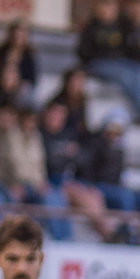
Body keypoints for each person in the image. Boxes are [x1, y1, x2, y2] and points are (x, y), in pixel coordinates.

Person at [0, 103, 72, 240]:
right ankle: (13, 239)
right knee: (12, 200)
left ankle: (64, 240)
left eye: (34, 120)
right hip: (12, 183)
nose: (31, 123)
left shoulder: (36, 137)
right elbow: (5, 164)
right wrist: (12, 183)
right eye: (28, 119)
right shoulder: (9, 135)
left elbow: (39, 165)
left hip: (33, 184)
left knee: (56, 197)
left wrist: (41, 183)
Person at [78, 0, 140, 121]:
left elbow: (128, 47)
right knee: (126, 76)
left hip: (118, 61)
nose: (110, 12)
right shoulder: (92, 28)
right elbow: (83, 51)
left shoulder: (119, 27)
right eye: (107, 8)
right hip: (98, 62)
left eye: (113, 9)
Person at [39, 102, 113, 241]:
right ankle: (108, 233)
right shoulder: (40, 136)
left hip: (68, 178)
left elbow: (82, 159)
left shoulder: (67, 135)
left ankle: (107, 233)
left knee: (95, 194)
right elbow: (48, 163)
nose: (57, 119)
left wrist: (68, 156)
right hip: (52, 180)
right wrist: (66, 156)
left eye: (61, 116)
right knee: (82, 196)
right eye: (54, 114)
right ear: (46, 114)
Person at [82, 113, 140, 243]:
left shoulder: (119, 149)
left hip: (116, 187)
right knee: (125, 197)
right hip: (99, 186)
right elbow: (89, 172)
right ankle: (125, 233)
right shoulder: (95, 145)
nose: (115, 135)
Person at [0, 21, 39, 100]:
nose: (17, 39)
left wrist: (19, 83)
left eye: (20, 36)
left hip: (19, 89)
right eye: (15, 36)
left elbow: (32, 78)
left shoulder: (29, 56)